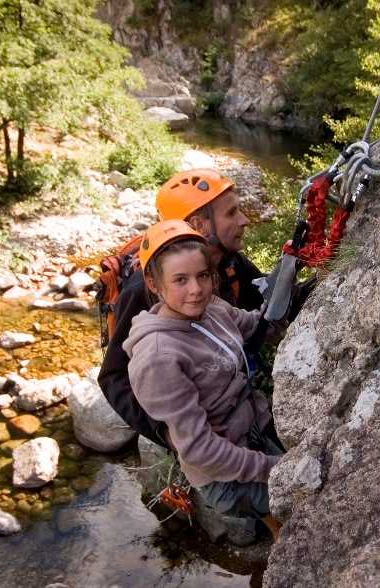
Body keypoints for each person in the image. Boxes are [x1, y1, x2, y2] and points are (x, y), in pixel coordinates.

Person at [124, 220, 283, 540]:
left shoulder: (211, 308)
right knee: (298, 509)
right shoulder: (158, 357)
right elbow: (199, 450)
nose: (196, 289)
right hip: (222, 473)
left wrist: (286, 299)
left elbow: (253, 326)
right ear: (154, 284)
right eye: (180, 280)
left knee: (291, 509)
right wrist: (273, 468)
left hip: (251, 431)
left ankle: (275, 526)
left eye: (202, 276)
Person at [97, 169, 267, 450]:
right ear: (200, 225)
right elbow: (113, 377)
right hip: (191, 423)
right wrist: (168, 435)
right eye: (231, 213)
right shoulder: (145, 290)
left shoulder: (229, 263)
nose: (244, 220)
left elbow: (262, 307)